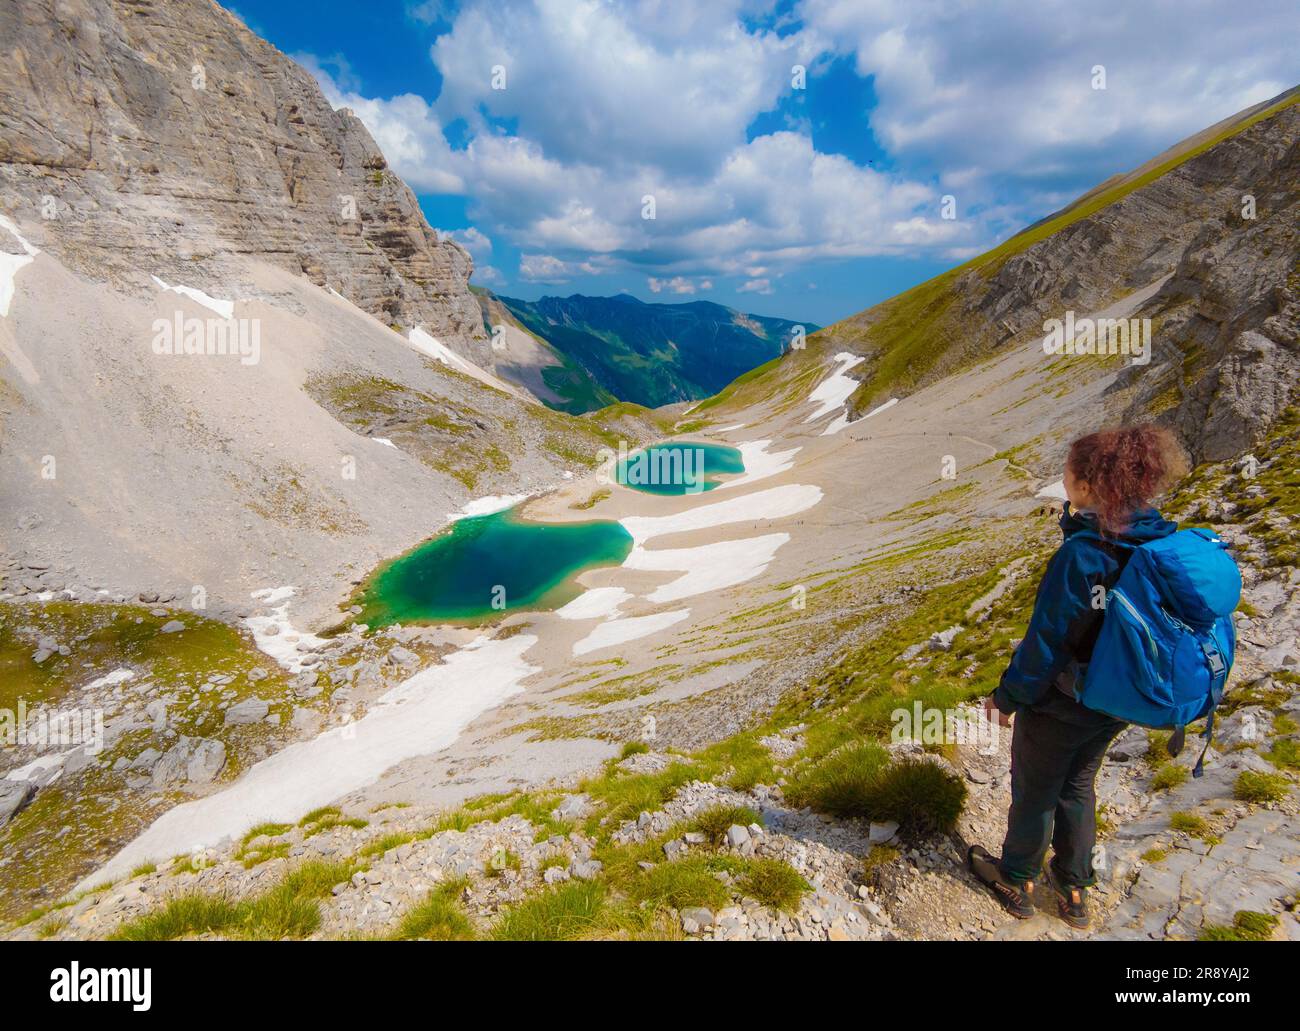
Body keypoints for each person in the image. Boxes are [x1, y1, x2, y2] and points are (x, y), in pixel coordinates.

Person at [968, 424, 1189, 929]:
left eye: (1069, 472)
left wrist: (1006, 698)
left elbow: (1047, 643)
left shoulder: (1084, 554)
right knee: (1079, 785)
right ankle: (1072, 889)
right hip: (1120, 699)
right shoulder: (1158, 540)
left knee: (1036, 790)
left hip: (1066, 700)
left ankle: (1016, 878)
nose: (1063, 478)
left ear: (1089, 484)